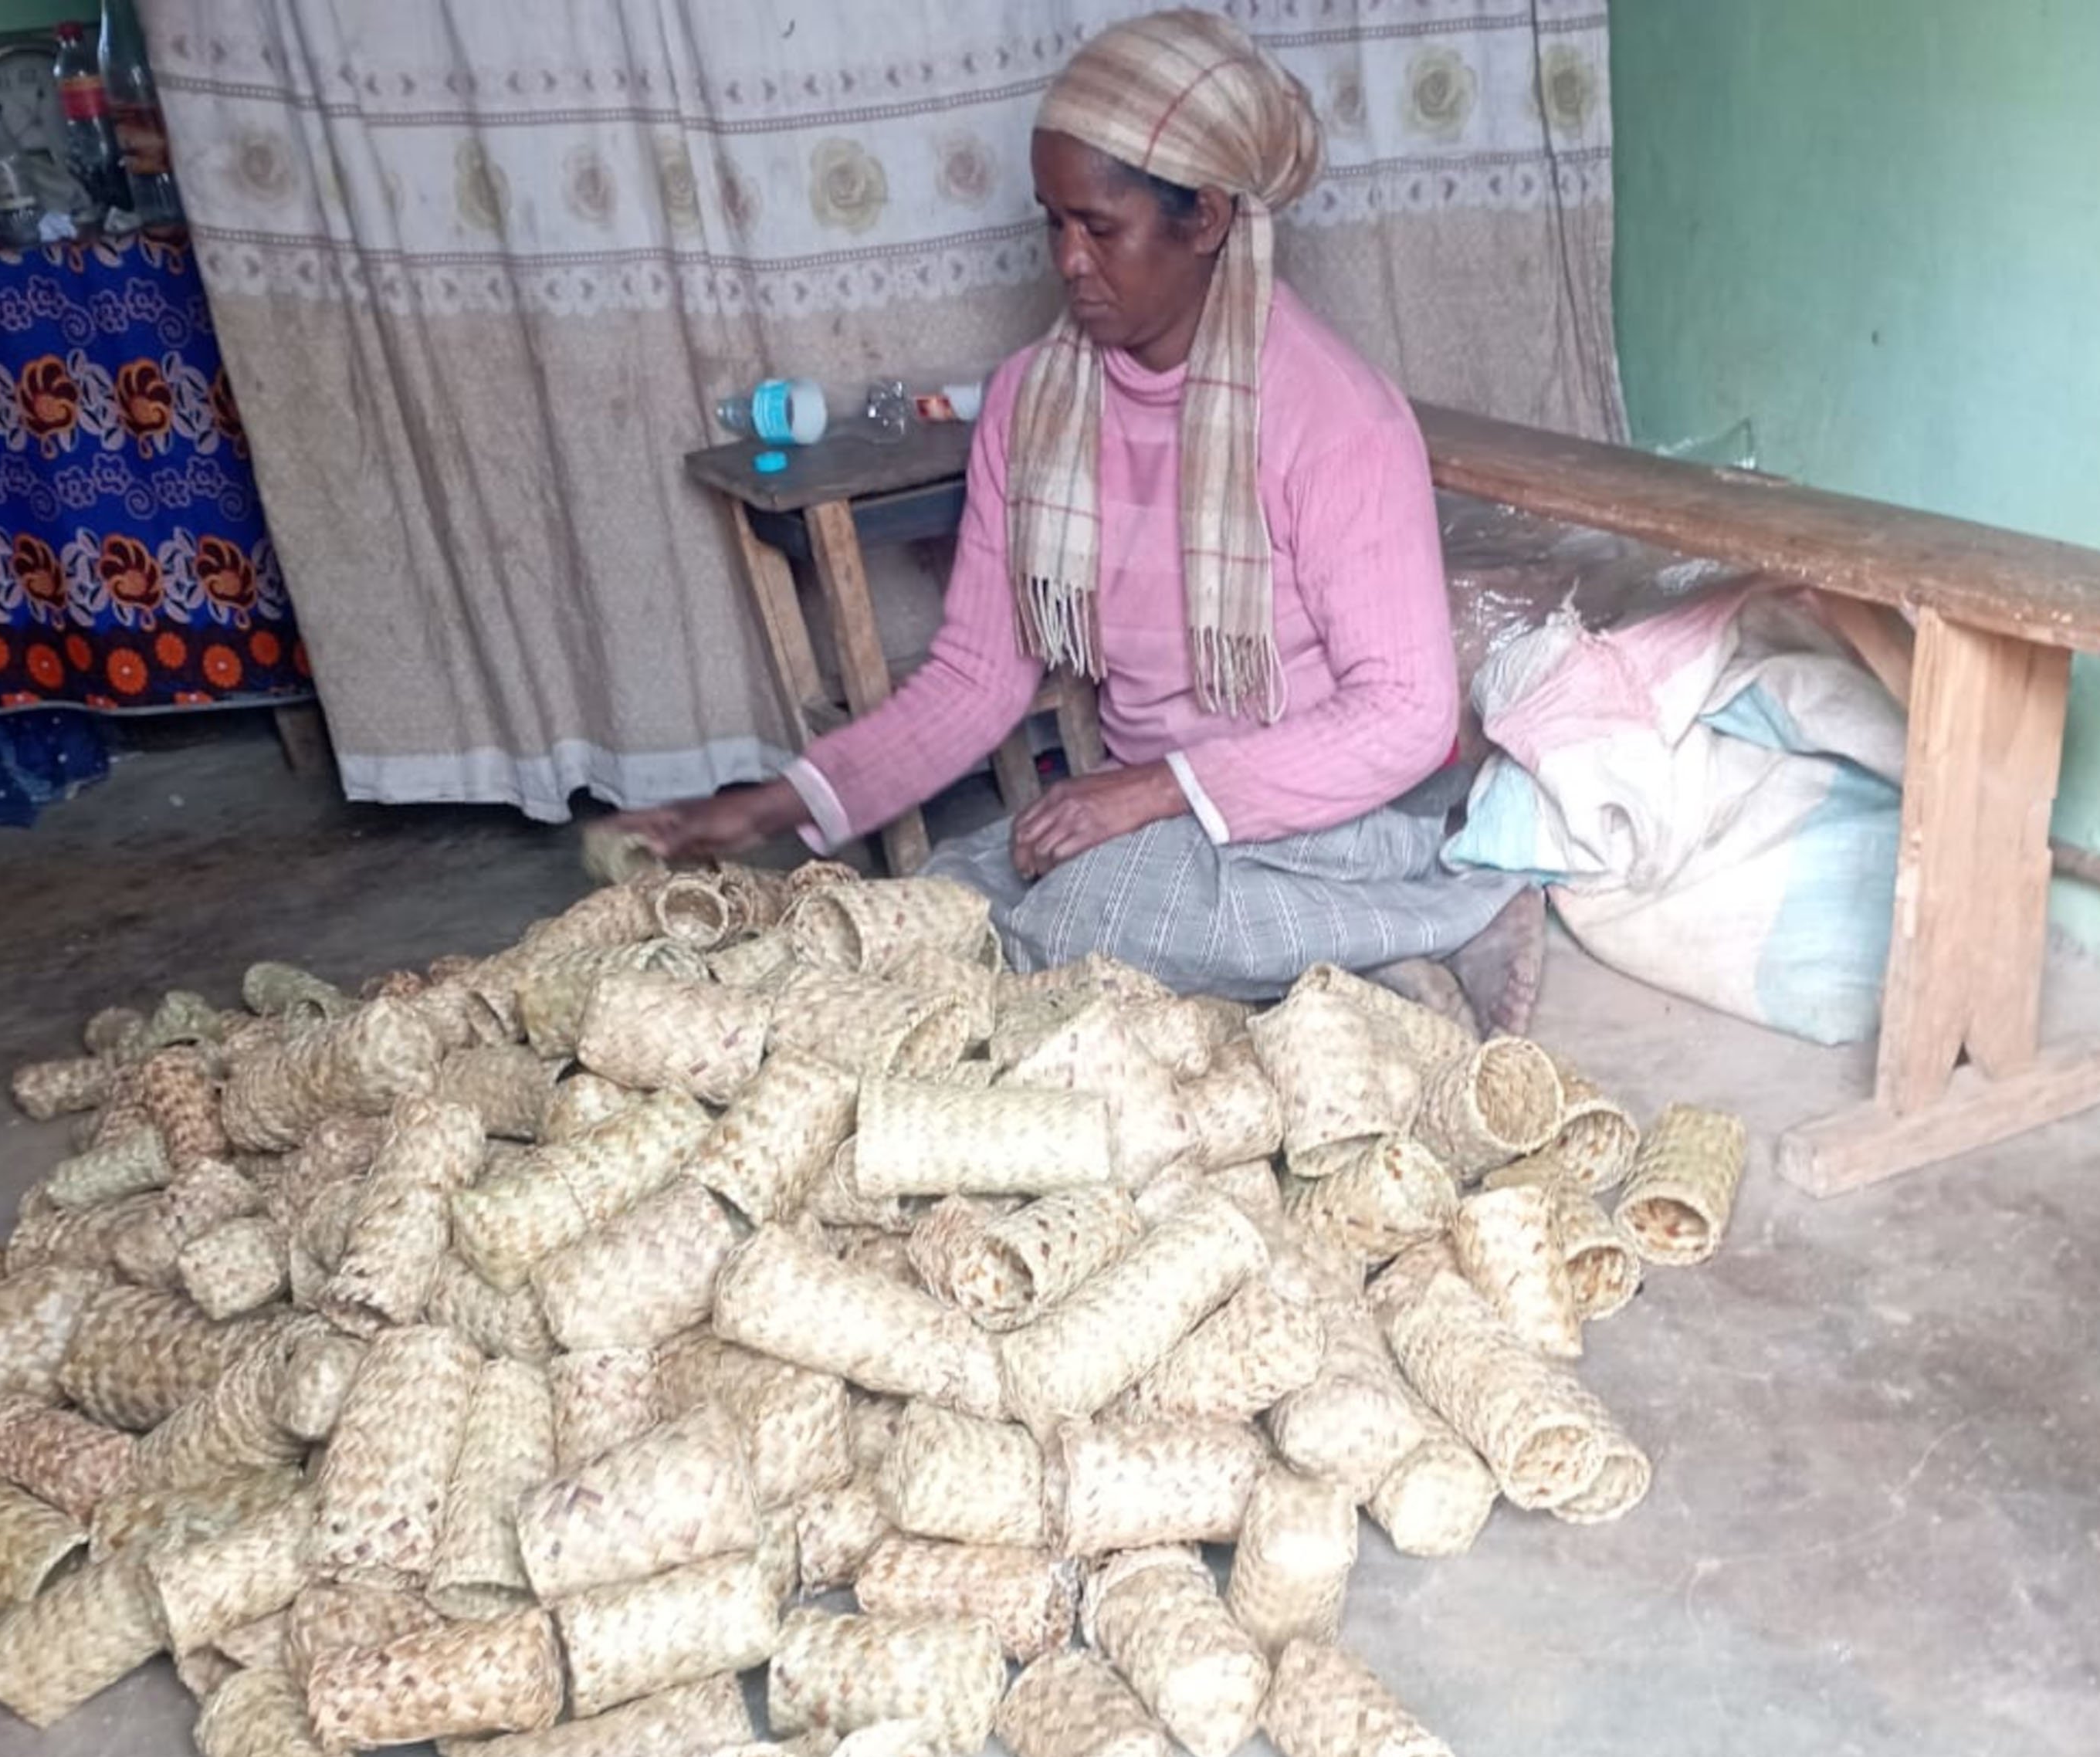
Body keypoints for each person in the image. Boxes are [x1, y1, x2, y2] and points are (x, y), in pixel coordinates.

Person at [609, 8, 1539, 1027]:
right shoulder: (1035, 404)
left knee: (1079, 924)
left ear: (1209, 219)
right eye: (1053, 221)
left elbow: (1404, 714)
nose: (1067, 260)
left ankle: (1410, 930)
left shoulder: (1333, 418)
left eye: (1101, 227)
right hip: (1160, 821)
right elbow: (974, 680)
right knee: (939, 911)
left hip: (1323, 819)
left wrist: (1156, 792)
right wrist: (769, 805)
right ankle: (1330, 966)